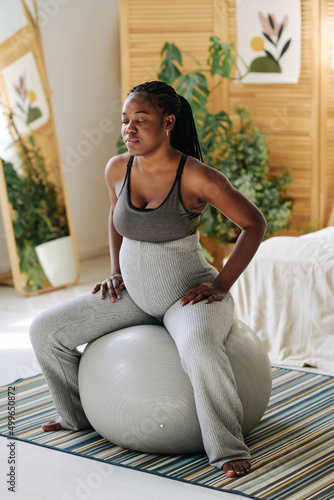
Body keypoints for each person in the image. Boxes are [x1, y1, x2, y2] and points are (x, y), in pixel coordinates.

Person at [29, 81, 266, 478]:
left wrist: (221, 285)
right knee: (45, 330)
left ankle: (226, 448)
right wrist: (116, 272)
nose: (129, 129)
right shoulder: (116, 168)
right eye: (125, 121)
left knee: (200, 349)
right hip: (133, 294)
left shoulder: (197, 177)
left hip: (187, 297)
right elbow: (114, 219)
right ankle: (77, 417)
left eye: (141, 119)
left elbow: (253, 224)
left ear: (168, 122)